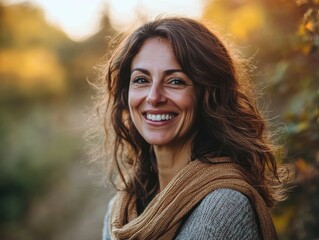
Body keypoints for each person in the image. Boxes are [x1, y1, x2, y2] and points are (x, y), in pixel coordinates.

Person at [94, 17, 287, 240]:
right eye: (141, 80)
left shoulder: (222, 207)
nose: (154, 97)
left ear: (207, 95)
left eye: (175, 81)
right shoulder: (120, 211)